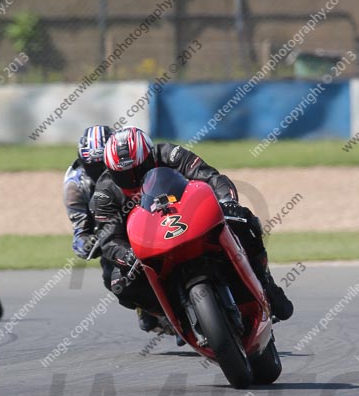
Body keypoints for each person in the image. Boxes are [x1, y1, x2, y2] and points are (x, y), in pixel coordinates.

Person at [92, 127, 293, 332]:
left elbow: (211, 177)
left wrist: (227, 200)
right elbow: (107, 237)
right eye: (123, 175)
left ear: (150, 157)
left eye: (138, 170)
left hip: (188, 219)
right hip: (147, 244)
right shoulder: (105, 191)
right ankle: (168, 315)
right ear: (111, 170)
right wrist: (125, 254)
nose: (133, 179)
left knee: (241, 219)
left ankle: (265, 281)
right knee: (117, 281)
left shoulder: (171, 154)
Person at [63, 125, 115, 290]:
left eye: (104, 164)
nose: (100, 171)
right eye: (93, 166)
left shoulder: (130, 164)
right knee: (112, 279)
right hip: (112, 234)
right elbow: (80, 233)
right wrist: (87, 243)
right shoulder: (76, 186)